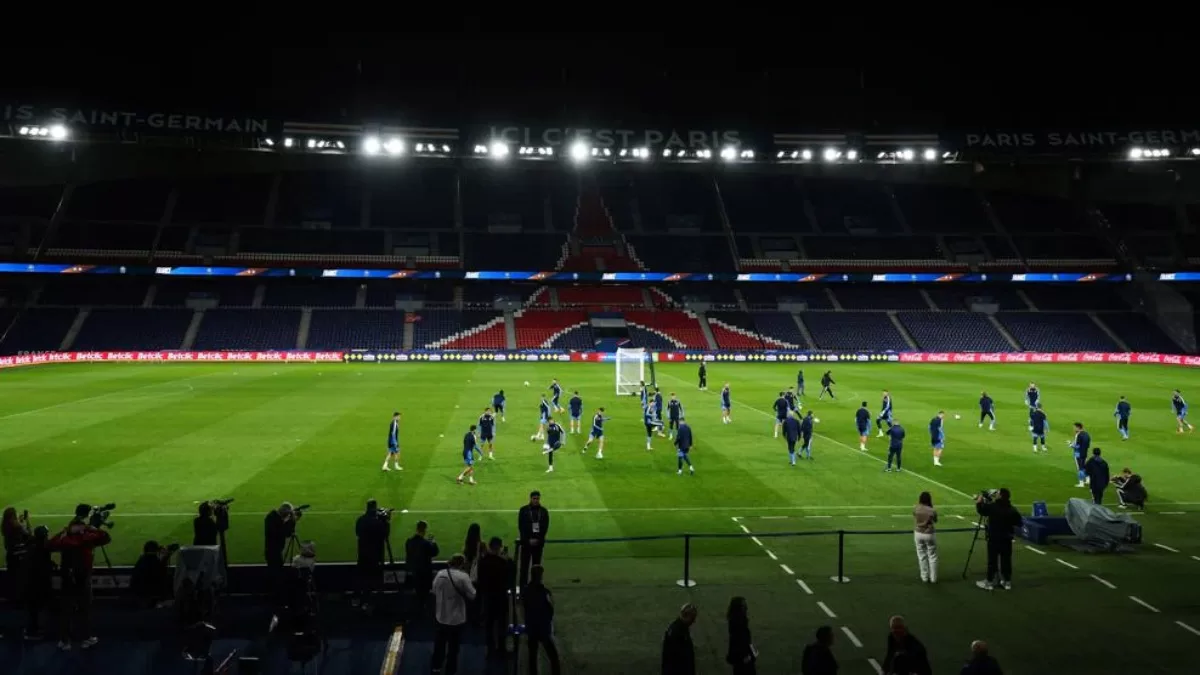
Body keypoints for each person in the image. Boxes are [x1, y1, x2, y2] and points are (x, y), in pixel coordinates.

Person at [48, 505, 112, 651]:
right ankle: (85, 637)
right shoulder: (86, 537)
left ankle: (65, 640)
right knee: (84, 607)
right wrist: (91, 528)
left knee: (67, 608)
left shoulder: (65, 537)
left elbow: (51, 544)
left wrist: (67, 532)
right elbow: (106, 537)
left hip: (68, 575)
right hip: (82, 575)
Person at [431, 554, 476, 675]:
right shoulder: (463, 577)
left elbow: (434, 591)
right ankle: (450, 670)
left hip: (441, 616)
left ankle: (436, 667)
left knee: (439, 644)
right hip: (456, 619)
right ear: (462, 564)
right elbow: (472, 595)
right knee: (453, 648)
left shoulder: (440, 574)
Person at [975, 488, 1024, 591]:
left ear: (1001, 496)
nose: (995, 494)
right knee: (1006, 560)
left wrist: (979, 502)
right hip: (1007, 538)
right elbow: (1019, 523)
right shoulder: (1012, 509)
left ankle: (989, 582)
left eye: (997, 493)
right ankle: (1007, 582)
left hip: (994, 538)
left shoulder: (993, 507)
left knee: (992, 561)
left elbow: (982, 511)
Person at [476, 537, 514, 658]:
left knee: (489, 624)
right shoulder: (503, 562)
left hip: (488, 596)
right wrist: (508, 559)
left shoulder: (483, 561)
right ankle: (501, 648)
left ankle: (490, 648)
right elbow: (510, 578)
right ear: (499, 547)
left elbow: (480, 579)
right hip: (501, 597)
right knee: (501, 623)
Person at [524, 564, 562, 675]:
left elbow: (525, 607)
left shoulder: (526, 591)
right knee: (553, 656)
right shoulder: (544, 592)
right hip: (543, 629)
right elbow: (550, 609)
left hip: (531, 628)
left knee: (532, 656)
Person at [355, 500, 391, 611]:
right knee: (377, 581)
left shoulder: (360, 520)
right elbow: (385, 535)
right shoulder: (378, 522)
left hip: (363, 556)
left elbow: (357, 533)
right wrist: (387, 521)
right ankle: (378, 605)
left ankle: (364, 602)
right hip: (376, 557)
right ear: (375, 508)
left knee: (364, 581)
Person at [21, 525, 54, 641]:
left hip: (29, 582)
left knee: (32, 608)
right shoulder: (41, 548)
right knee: (36, 607)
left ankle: (31, 629)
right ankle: (32, 632)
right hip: (37, 582)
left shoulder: (31, 544)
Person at [264, 502, 300, 605]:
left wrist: (290, 519)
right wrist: (292, 521)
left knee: (275, 574)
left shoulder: (271, 517)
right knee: (276, 575)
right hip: (273, 553)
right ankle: (277, 598)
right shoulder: (273, 520)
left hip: (272, 551)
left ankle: (276, 596)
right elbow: (285, 533)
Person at [404, 520, 439, 617]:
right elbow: (435, 552)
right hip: (425, 572)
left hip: (414, 571)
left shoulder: (409, 541)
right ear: (425, 530)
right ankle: (423, 610)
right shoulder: (426, 543)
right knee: (425, 592)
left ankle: (417, 610)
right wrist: (433, 542)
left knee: (417, 591)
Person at [518, 491, 550, 590]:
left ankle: (536, 587)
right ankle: (523, 587)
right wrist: (527, 540)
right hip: (526, 544)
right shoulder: (523, 510)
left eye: (537, 499)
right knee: (524, 567)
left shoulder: (544, 511)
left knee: (536, 567)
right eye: (534, 498)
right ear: (530, 499)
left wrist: (538, 540)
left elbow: (545, 528)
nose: (536, 500)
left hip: (538, 545)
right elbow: (521, 527)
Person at [130, 540, 175, 608]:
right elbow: (161, 575)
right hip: (148, 593)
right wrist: (166, 557)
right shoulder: (154, 561)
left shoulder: (142, 559)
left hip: (137, 592)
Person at [662, 603, 698, 675]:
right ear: (687, 616)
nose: (693, 622)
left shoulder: (681, 627)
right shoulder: (676, 632)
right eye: (692, 618)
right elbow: (674, 659)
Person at [725, 596, 756, 675]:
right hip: (742, 658)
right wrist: (749, 656)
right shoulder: (738, 624)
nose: (746, 608)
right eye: (744, 606)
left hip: (742, 657)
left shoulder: (737, 621)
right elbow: (742, 643)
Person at [913, 492, 938, 583]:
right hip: (929, 533)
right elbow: (935, 520)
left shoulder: (916, 508)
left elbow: (915, 516)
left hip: (918, 533)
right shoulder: (932, 510)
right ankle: (933, 578)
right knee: (932, 556)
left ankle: (924, 577)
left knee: (921, 555)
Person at [1070, 422, 1091, 488]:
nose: (1073, 429)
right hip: (1085, 453)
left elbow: (1077, 446)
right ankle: (1088, 480)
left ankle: (1081, 483)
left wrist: (1070, 445)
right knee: (1084, 466)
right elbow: (1087, 445)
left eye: (1074, 427)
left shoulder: (1078, 435)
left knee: (1080, 468)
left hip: (1078, 454)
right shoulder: (1087, 434)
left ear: (1078, 427)